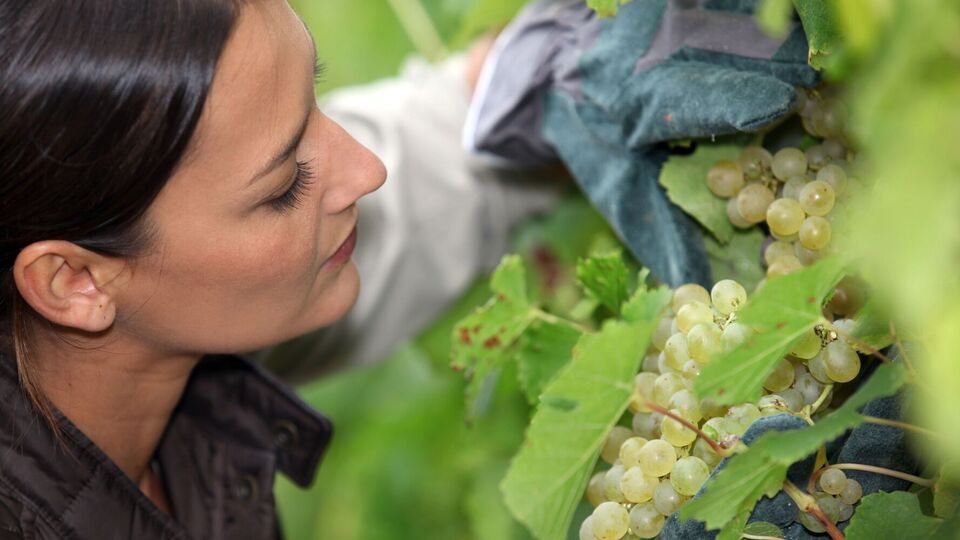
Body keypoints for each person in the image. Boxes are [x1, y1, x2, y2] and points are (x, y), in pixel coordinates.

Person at [0, 1, 557, 538]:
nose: (368, 169)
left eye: (320, 99)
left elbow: (411, 191)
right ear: (76, 281)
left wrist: (514, 86)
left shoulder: (158, 338)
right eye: (286, 184)